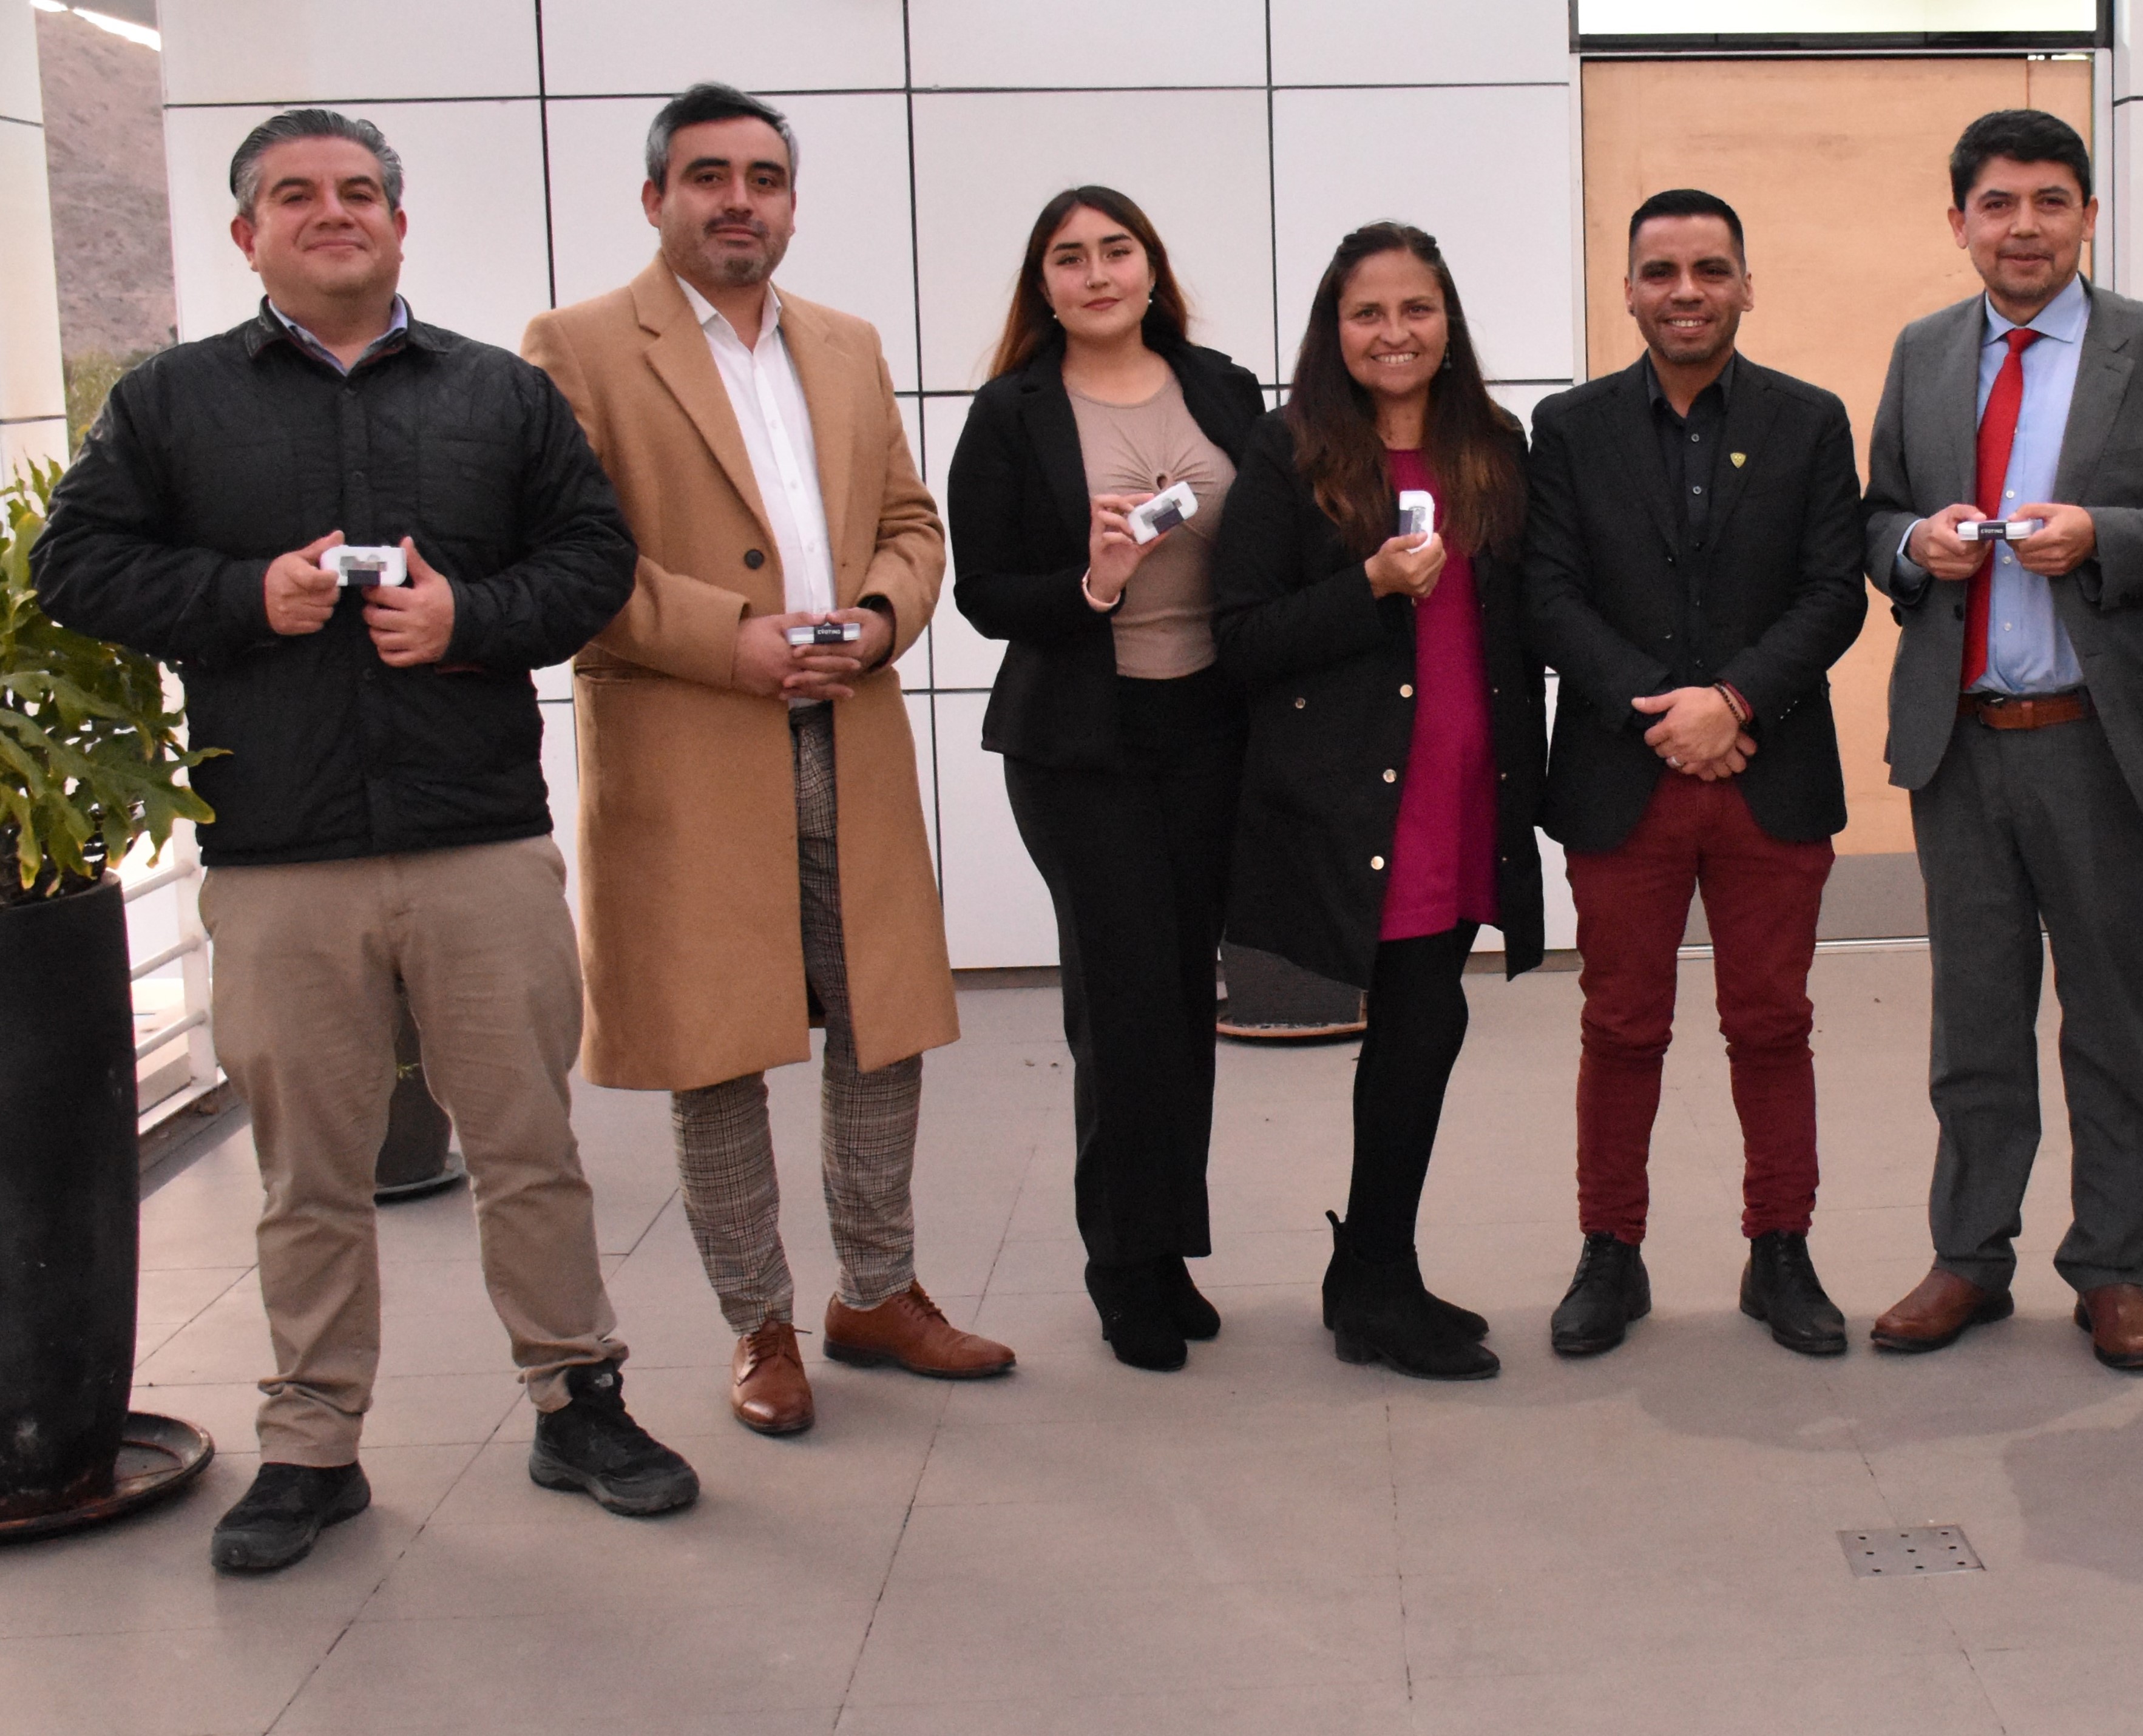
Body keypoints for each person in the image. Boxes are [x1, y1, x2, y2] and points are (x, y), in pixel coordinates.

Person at [33, 109, 697, 1572]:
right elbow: (73, 562)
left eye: (357, 193)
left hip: (477, 837)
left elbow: (590, 563)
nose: (331, 214)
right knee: (307, 1168)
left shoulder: (496, 396)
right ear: (246, 235)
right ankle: (312, 1443)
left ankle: (577, 1400)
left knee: (528, 1144)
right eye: (295, 196)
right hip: (279, 851)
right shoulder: (170, 403)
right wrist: (233, 596)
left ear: (398, 223)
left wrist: (472, 619)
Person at [523, 85, 1003, 1438]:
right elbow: (573, 558)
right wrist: (723, 639)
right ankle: (758, 1327)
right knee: (715, 1044)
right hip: (690, 739)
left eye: (765, 177)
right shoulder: (572, 347)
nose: (739, 198)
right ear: (654, 197)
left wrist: (879, 616)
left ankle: (879, 1291)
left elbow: (911, 522)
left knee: (879, 1021)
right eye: (707, 175)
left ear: (791, 198)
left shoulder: (844, 344)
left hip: (845, 727)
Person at [1860, 109, 2143, 1371]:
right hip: (1958, 743)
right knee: (1971, 1019)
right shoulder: (1918, 354)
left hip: (2096, 736)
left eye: (2049, 201)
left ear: (2085, 214)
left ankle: (2111, 1266)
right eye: (1998, 203)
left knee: (2108, 1020)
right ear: (1957, 219)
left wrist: (2107, 538)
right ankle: (1966, 1255)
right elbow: (1874, 518)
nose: (2023, 226)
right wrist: (1915, 547)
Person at [1527, 189, 1866, 1360]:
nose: (1686, 292)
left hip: (1768, 769)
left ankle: (1782, 1252)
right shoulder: (1566, 429)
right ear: (1626, 289)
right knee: (1622, 1023)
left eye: (1710, 270)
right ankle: (1609, 1255)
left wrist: (1731, 702)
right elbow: (1549, 596)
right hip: (1627, 777)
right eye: (1661, 272)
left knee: (1772, 1023)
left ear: (1744, 285)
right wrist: (1664, 713)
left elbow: (1835, 591)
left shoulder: (1811, 421)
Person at [1210, 223, 1545, 1380]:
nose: (1395, 333)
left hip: (1471, 783)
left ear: (1448, 322)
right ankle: (1374, 1282)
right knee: (1414, 1029)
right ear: (1333, 329)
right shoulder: (1290, 449)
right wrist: (1367, 584)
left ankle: (1374, 1272)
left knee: (1427, 1021)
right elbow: (1239, 637)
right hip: (1369, 800)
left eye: (1417, 309)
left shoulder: (1493, 447)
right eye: (1369, 314)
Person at [949, 185, 1267, 1371]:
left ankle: (1164, 1247)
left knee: (1184, 993)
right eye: (1068, 258)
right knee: (1122, 999)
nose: (1095, 273)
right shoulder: (1011, 413)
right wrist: (1090, 583)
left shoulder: (1222, 387)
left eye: (1114, 250)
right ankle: (1121, 1263)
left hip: (1212, 729)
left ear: (1150, 267)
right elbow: (983, 593)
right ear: (1044, 286)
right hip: (1083, 739)